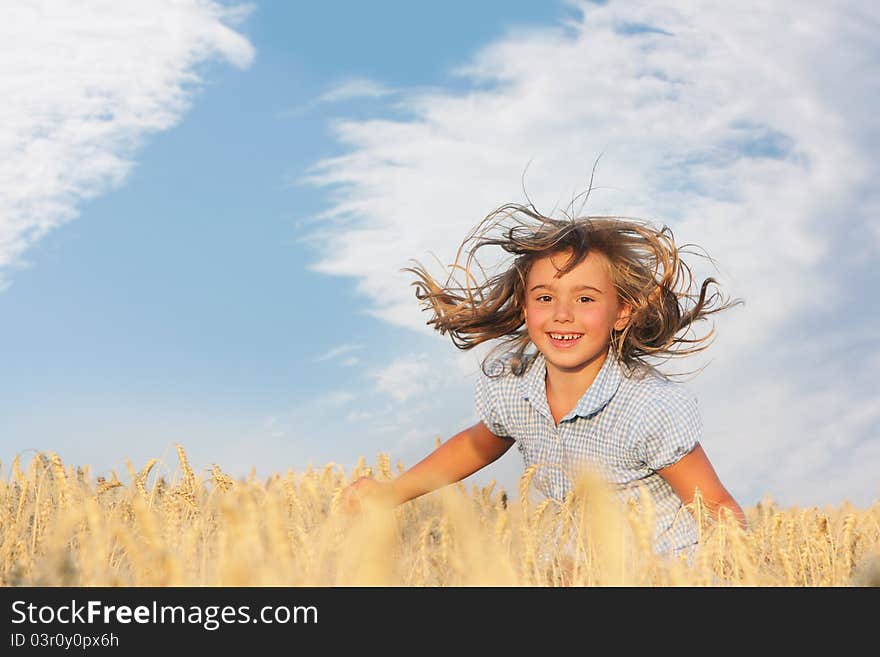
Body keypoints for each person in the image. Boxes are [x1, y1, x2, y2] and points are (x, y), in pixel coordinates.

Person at [340, 200, 747, 557]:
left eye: (585, 298)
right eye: (545, 298)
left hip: (658, 571)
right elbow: (476, 445)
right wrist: (390, 494)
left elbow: (714, 504)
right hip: (573, 567)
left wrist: (742, 570)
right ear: (524, 307)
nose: (562, 313)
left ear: (622, 312)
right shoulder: (515, 386)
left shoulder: (648, 408)